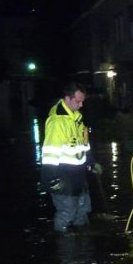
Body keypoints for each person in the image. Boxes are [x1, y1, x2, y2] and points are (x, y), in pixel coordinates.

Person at [41, 82, 98, 233]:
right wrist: (53, 180)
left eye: (82, 101)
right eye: (78, 101)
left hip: (78, 175)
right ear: (67, 99)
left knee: (82, 211)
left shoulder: (76, 118)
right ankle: (65, 250)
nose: (81, 105)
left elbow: (82, 144)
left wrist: (91, 161)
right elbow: (49, 154)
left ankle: (84, 248)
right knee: (66, 213)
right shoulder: (57, 122)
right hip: (63, 176)